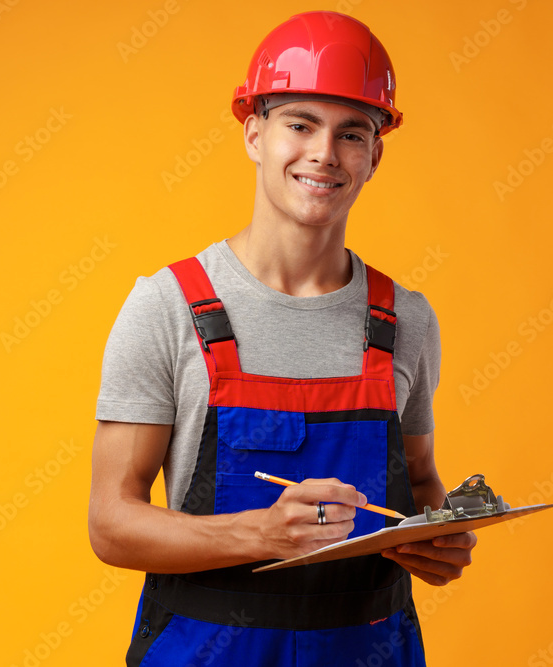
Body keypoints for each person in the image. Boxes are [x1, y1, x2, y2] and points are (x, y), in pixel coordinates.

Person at [88, 11, 476, 666]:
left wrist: (440, 536)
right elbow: (111, 523)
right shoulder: (168, 306)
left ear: (374, 156)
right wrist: (262, 533)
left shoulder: (405, 320)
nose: (324, 153)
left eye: (351, 133)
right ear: (254, 134)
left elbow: (418, 480)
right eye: (300, 124)